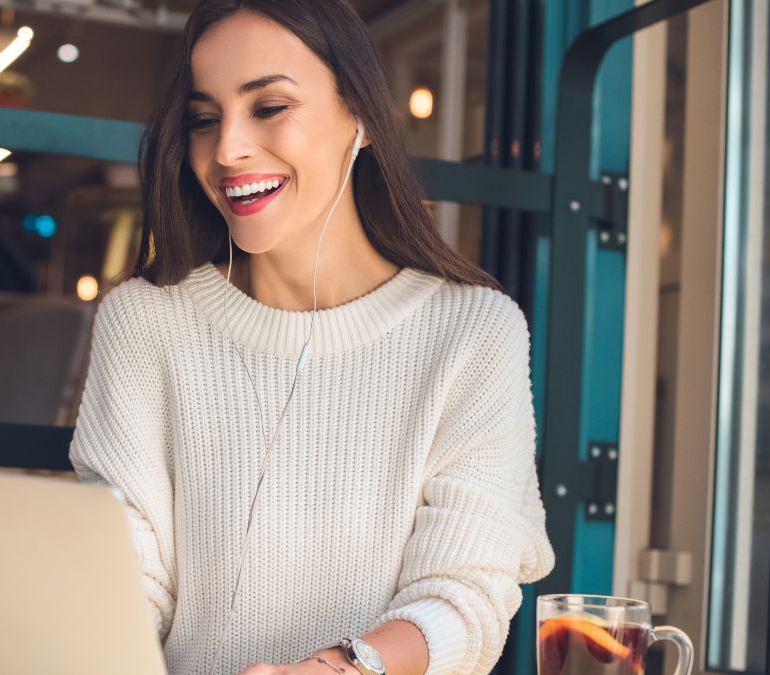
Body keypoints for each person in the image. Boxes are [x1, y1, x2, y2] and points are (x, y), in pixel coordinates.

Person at [68, 1, 555, 673]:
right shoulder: (146, 321)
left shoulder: (472, 332)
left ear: (358, 114)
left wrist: (340, 667)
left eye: (268, 107)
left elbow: (465, 593)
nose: (227, 149)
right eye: (205, 119)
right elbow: (125, 571)